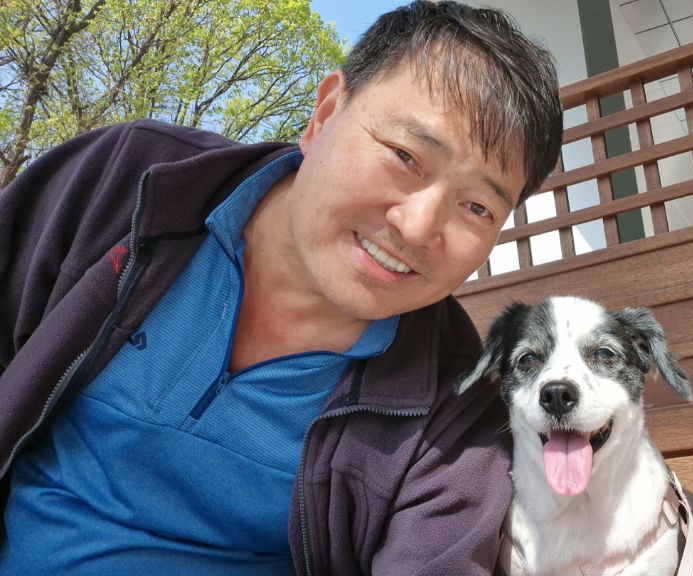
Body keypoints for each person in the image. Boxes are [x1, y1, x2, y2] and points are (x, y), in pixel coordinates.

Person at [0, 1, 562, 574]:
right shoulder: (127, 183)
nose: (417, 227)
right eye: (405, 156)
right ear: (325, 114)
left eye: (477, 207)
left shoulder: (455, 415)